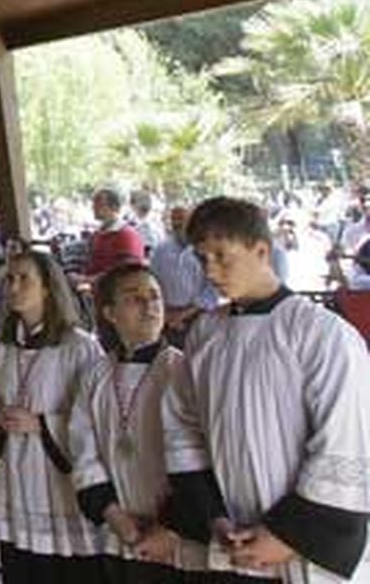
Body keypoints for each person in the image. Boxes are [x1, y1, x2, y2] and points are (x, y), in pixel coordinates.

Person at [162, 197, 370, 583]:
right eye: (202, 258)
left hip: (301, 547)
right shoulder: (204, 333)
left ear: (262, 250)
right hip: (231, 540)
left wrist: (287, 535)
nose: (211, 271)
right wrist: (214, 516)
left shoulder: (321, 333)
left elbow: (344, 440)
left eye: (223, 256)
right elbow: (182, 429)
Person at [69, 262, 202, 582]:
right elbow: (82, 449)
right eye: (134, 298)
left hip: (178, 535)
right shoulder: (96, 375)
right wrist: (114, 515)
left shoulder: (183, 371)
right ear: (110, 314)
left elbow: (199, 457)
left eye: (155, 296)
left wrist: (170, 527)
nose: (149, 305)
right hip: (122, 529)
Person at [0, 249, 105, 583]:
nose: (13, 287)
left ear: (48, 287)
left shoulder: (79, 347)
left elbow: (96, 418)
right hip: (17, 478)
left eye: (24, 279)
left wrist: (41, 424)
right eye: (9, 278)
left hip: (60, 482)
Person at [149, 205, 218, 346]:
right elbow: (152, 280)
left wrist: (184, 314)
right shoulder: (161, 250)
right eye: (173, 219)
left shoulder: (206, 248)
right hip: (167, 318)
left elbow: (212, 289)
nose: (176, 223)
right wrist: (166, 313)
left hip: (198, 316)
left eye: (181, 218)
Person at [89, 188, 147, 277]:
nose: (94, 207)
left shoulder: (127, 234)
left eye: (99, 204)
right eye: (94, 204)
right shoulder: (97, 234)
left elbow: (127, 272)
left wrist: (91, 279)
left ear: (114, 207)